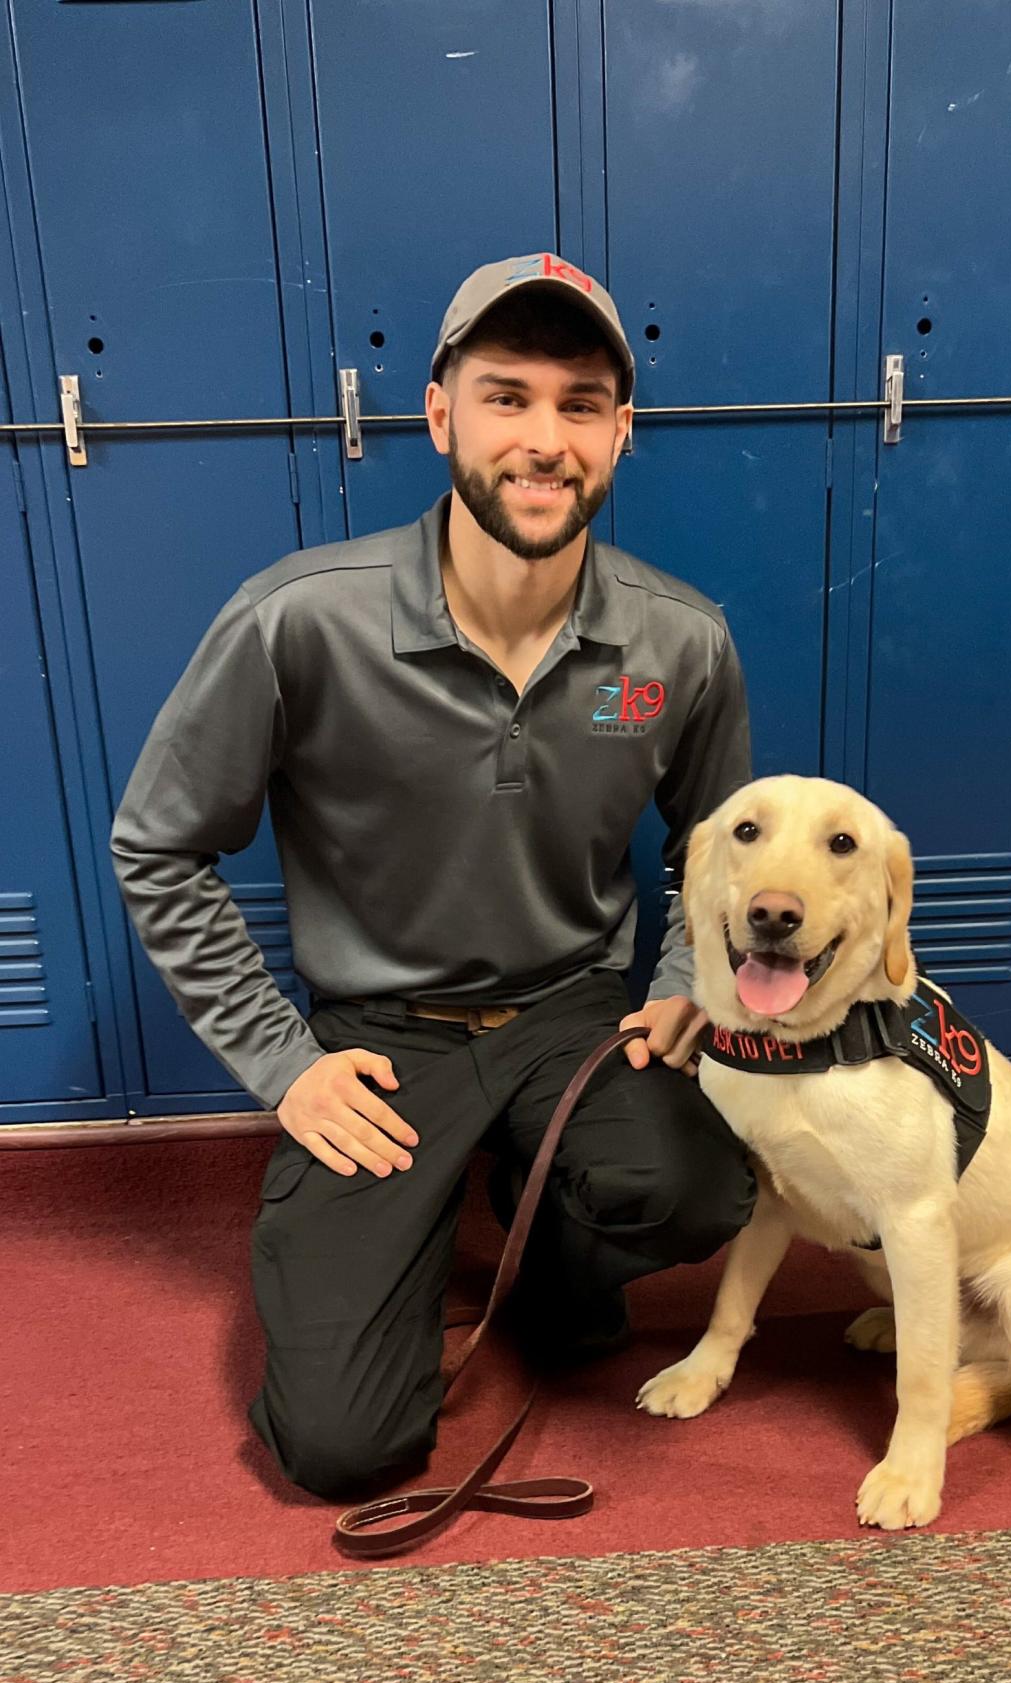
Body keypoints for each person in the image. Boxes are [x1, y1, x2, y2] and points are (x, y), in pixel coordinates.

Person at [112, 252, 756, 1499]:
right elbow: (160, 844)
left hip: (576, 1016)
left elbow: (719, 840)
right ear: (438, 411)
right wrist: (284, 1066)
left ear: (621, 433)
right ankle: (452, 1221)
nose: (543, 437)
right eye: (506, 395)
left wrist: (685, 971)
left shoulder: (679, 640)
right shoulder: (299, 620)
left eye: (580, 404)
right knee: (343, 1449)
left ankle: (552, 1247)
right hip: (381, 1036)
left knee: (691, 1184)